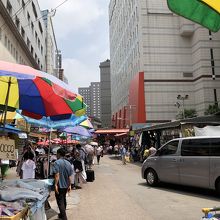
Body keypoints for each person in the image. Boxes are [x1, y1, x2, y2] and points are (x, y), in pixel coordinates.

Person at [53, 148, 73, 220]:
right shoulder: (68, 163)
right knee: (63, 199)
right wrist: (70, 185)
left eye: (56, 154)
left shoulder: (56, 162)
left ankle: (64, 217)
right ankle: (62, 215)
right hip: (66, 185)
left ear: (58, 154)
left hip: (59, 185)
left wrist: (55, 184)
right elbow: (70, 176)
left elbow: (57, 175)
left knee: (60, 201)